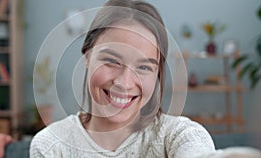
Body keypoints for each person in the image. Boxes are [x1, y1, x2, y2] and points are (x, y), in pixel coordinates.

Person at [30, 0, 215, 157]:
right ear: (87, 57)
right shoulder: (51, 146)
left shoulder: (181, 136)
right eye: (112, 61)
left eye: (143, 67)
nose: (124, 83)